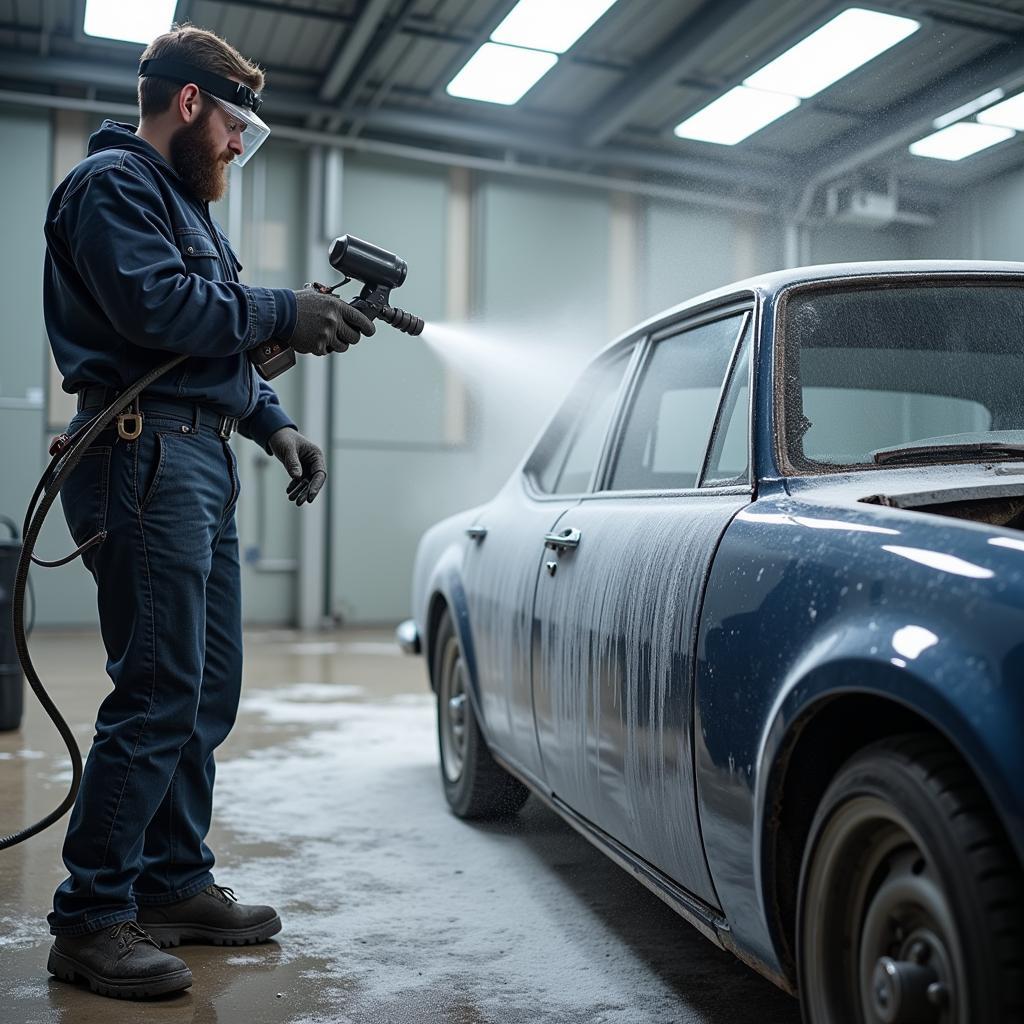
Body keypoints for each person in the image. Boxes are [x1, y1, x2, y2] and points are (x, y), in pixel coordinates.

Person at [40, 25, 374, 1000]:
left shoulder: (185, 207)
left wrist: (275, 427)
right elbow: (158, 313)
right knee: (155, 689)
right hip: (143, 459)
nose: (238, 145)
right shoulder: (113, 188)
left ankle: (172, 880)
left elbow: (209, 344)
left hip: (197, 457)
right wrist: (279, 313)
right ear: (191, 104)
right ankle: (92, 917)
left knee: (203, 687)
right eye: (236, 125)